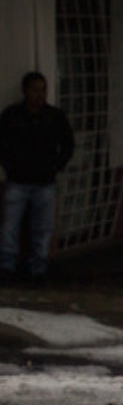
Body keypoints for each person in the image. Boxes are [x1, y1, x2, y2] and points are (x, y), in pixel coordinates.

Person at [0, 72, 75, 284]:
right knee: (10, 227)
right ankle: (6, 268)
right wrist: (11, 167)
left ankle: (38, 270)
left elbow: (68, 144)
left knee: (42, 228)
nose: (39, 94)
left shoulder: (54, 116)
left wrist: (56, 166)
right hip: (17, 181)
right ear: (25, 91)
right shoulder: (12, 115)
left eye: (43, 89)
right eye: (35, 89)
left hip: (45, 183)